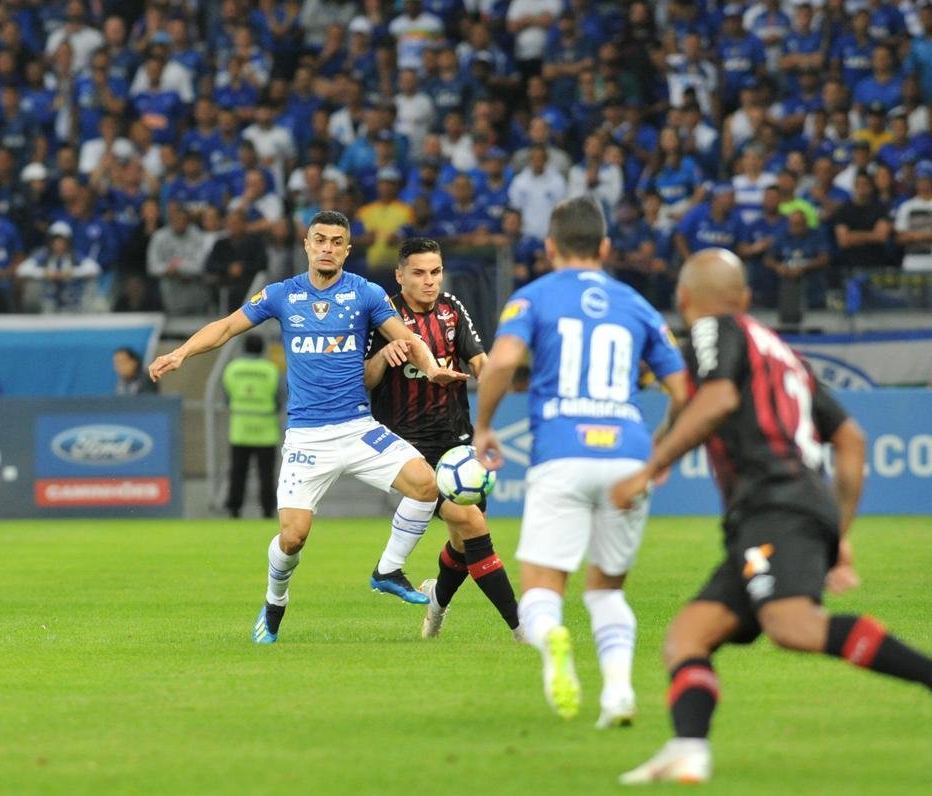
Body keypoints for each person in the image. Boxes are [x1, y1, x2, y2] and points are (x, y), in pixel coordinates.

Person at [611, 249, 932, 784]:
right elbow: (851, 440)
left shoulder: (712, 329)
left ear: (684, 301)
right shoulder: (781, 352)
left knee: (792, 624)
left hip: (774, 503)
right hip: (782, 509)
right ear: (744, 297)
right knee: (689, 635)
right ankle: (688, 749)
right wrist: (838, 530)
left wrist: (650, 468)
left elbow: (716, 398)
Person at [148, 210, 465, 644]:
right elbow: (226, 327)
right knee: (293, 538)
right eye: (320, 240)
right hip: (307, 438)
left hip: (358, 427)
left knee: (426, 484)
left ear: (347, 250)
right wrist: (181, 353)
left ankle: (388, 570)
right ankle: (274, 601)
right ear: (307, 245)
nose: (327, 248)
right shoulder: (282, 294)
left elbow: (408, 340)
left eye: (336, 242)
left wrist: (431, 368)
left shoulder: (366, 293)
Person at [471, 197, 689, 725]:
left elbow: (502, 361)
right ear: (606, 247)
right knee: (608, 591)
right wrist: (659, 449)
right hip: (627, 457)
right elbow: (685, 391)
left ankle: (552, 639)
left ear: (550, 247)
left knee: (542, 592)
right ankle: (618, 695)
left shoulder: (533, 297)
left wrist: (484, 426)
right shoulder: (636, 303)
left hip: (561, 453)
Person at [363, 237, 521, 635]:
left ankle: (436, 603)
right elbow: (364, 379)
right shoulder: (383, 317)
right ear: (400, 276)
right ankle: (522, 628)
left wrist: (493, 377)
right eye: (419, 273)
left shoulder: (451, 308)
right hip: (409, 448)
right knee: (472, 524)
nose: (429, 281)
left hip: (457, 441)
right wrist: (383, 356)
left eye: (435, 272)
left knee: (464, 542)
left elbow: (480, 360)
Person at [222, 334, 282, 519]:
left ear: (244, 348)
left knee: (237, 472)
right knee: (266, 474)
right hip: (265, 429)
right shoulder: (271, 370)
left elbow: (227, 398)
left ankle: (234, 508)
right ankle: (268, 509)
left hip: (240, 428)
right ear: (262, 349)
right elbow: (279, 398)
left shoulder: (232, 369)